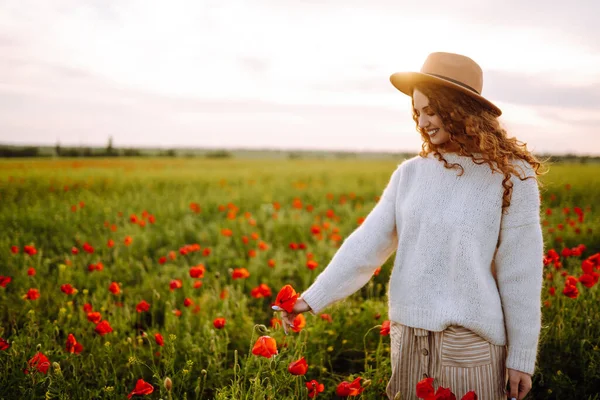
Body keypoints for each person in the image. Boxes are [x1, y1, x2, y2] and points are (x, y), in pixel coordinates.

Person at [275, 52, 548, 400]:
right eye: (418, 112)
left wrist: (521, 357)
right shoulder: (410, 174)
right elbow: (367, 244)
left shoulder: (512, 176)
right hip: (408, 339)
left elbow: (520, 273)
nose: (423, 121)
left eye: (431, 110)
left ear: (461, 108)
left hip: (469, 344)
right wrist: (310, 300)